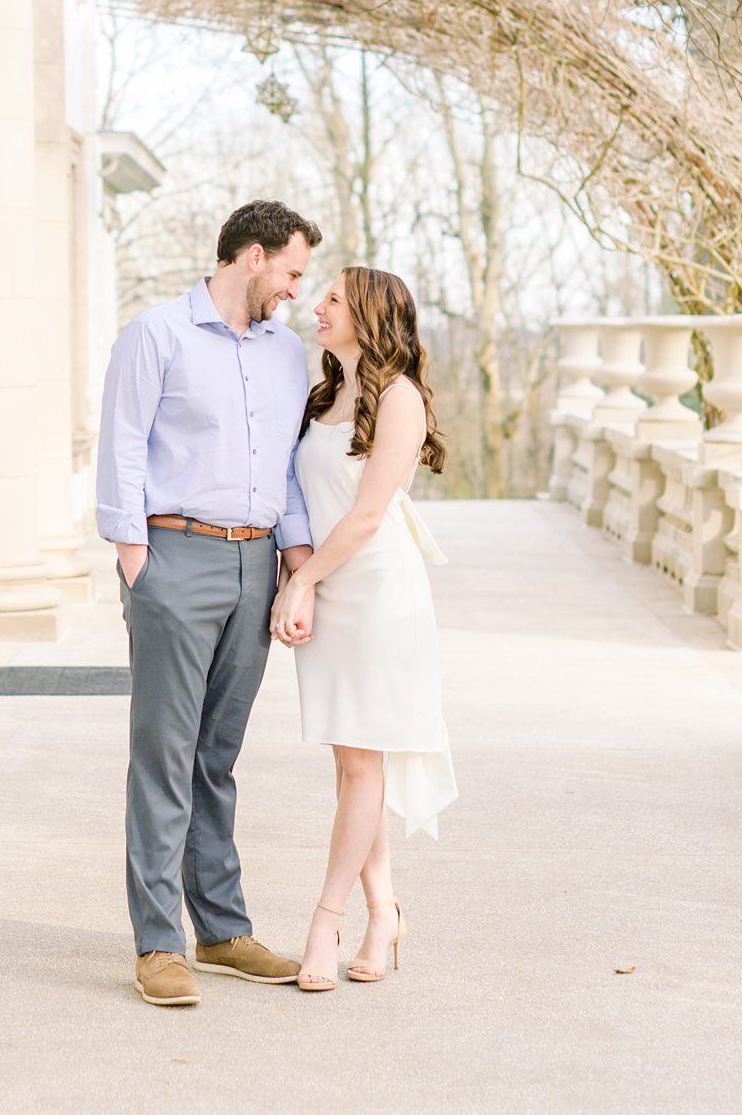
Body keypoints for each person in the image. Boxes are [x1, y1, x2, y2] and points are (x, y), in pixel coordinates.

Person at [96, 200, 324, 1007]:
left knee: (216, 756)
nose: (298, 289)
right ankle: (159, 941)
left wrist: (296, 565)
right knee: (164, 752)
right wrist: (136, 559)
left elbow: (292, 462)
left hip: (255, 562)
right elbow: (122, 443)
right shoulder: (155, 334)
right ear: (253, 256)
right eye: (293, 271)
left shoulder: (286, 351)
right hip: (174, 556)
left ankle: (221, 928)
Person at [270, 266, 456, 993]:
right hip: (325, 588)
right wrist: (304, 574)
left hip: (377, 595)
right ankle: (385, 910)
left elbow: (370, 514)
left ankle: (326, 918)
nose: (318, 305)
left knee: (359, 764)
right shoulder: (324, 394)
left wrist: (303, 580)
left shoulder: (401, 398)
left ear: (370, 314)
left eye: (335, 299)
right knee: (355, 765)